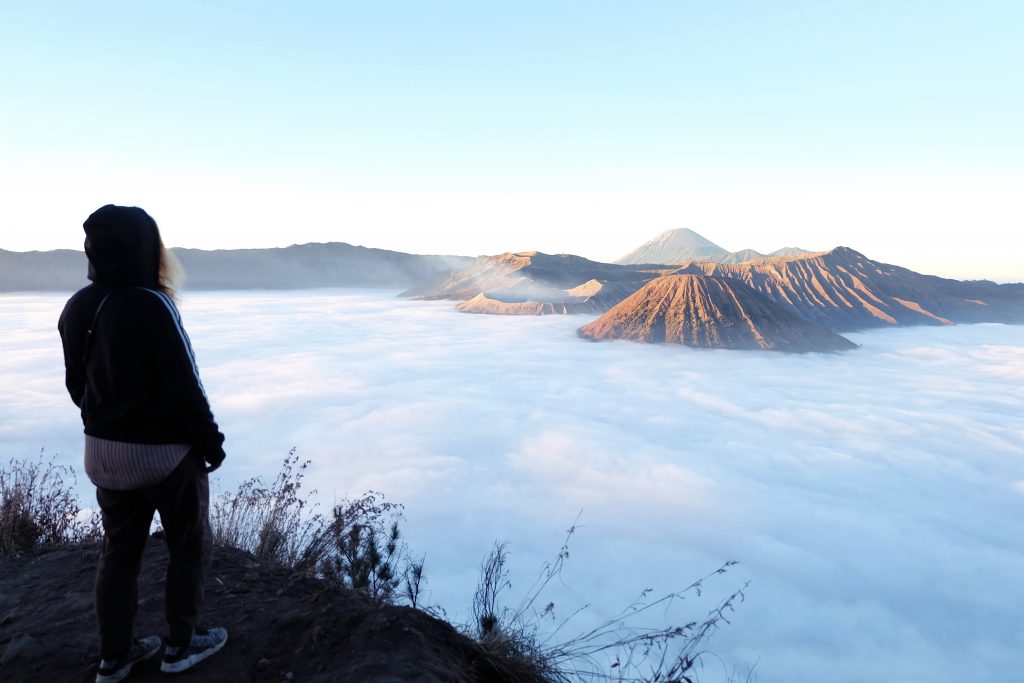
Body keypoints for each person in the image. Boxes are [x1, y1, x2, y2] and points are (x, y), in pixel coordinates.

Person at [58, 205, 228, 682]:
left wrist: (110, 424)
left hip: (102, 453)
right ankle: (181, 645)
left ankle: (114, 658)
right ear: (144, 247)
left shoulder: (76, 307)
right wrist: (210, 443)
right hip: (163, 456)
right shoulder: (152, 304)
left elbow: (77, 386)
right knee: (188, 546)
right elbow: (185, 387)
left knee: (118, 553)